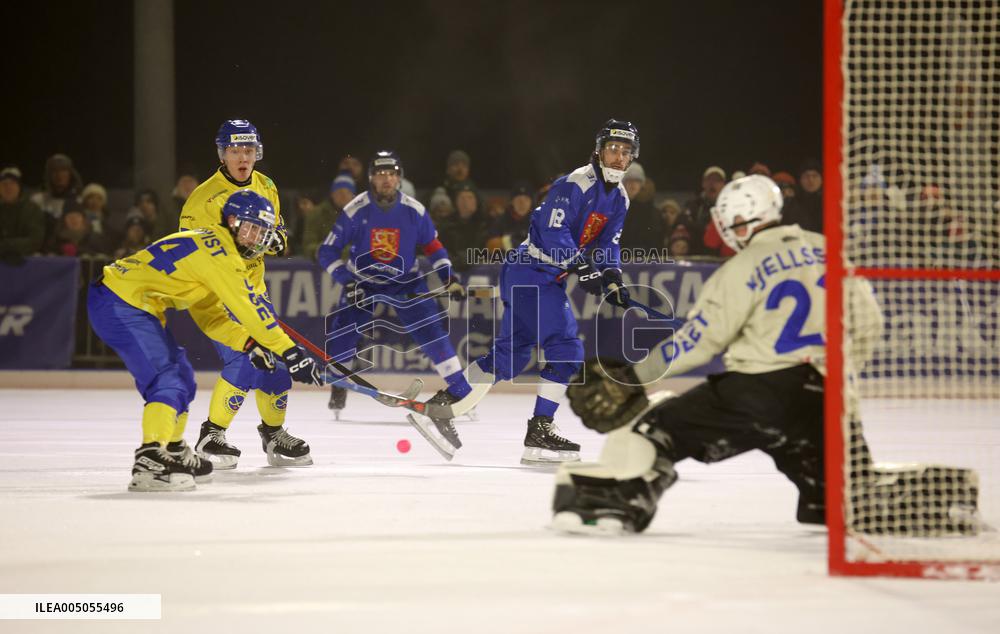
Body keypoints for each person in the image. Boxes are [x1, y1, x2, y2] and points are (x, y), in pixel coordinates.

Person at [548, 174, 882, 535]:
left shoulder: (743, 266)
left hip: (758, 392)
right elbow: (869, 324)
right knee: (839, 496)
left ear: (729, 223)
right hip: (827, 398)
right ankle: (839, 502)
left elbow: (699, 341)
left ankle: (614, 506)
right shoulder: (829, 250)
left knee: (652, 432)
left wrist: (635, 375)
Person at [408, 119, 640, 465]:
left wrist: (612, 277)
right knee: (566, 348)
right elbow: (552, 232)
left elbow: (608, 244)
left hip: (537, 275)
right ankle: (540, 432)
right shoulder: (575, 184)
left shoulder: (619, 196)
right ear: (598, 150)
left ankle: (440, 408)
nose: (619, 157)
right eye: (613, 149)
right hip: (532, 272)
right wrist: (582, 266)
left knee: (510, 358)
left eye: (626, 152)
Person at [87, 190, 323, 491]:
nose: (258, 239)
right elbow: (251, 312)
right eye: (252, 229)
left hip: (128, 303)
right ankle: (150, 459)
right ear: (233, 222)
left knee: (182, 376)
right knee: (167, 379)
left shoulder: (213, 245)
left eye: (263, 232)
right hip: (122, 304)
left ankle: (172, 450)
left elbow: (210, 316)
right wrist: (290, 352)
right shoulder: (222, 256)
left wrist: (249, 344)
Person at [180, 119, 309, 469]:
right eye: (235, 150)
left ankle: (274, 434)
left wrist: (278, 237)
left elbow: (274, 230)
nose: (242, 157)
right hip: (217, 295)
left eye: (248, 150)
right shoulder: (203, 199)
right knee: (244, 359)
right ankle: (211, 435)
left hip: (254, 294)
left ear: (258, 153)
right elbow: (189, 253)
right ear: (222, 154)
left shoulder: (266, 185)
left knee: (275, 364)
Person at [317, 151, 470, 423]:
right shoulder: (355, 209)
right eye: (380, 174)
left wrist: (449, 277)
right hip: (363, 282)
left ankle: (461, 391)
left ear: (399, 178)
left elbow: (434, 247)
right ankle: (339, 384)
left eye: (391, 173)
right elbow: (326, 252)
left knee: (432, 332)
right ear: (371, 179)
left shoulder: (415, 210)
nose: (386, 179)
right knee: (342, 335)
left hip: (405, 281)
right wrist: (347, 281)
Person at [0, 166, 46, 264]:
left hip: (28, 264)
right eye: (4, 184)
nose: (8, 188)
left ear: (19, 187)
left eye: (12, 184)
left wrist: (7, 245)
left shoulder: (32, 210)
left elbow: (35, 240)